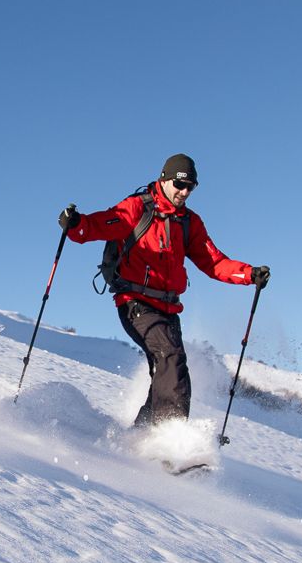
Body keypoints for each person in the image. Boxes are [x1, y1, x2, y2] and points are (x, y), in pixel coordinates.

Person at [60, 154, 269, 426]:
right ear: (164, 178)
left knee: (166, 371)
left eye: (190, 187)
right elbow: (102, 225)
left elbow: (214, 262)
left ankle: (143, 435)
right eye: (179, 185)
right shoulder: (138, 208)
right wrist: (77, 225)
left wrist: (248, 274)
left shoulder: (189, 223)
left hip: (169, 309)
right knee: (171, 359)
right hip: (135, 303)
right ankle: (171, 440)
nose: (184, 192)